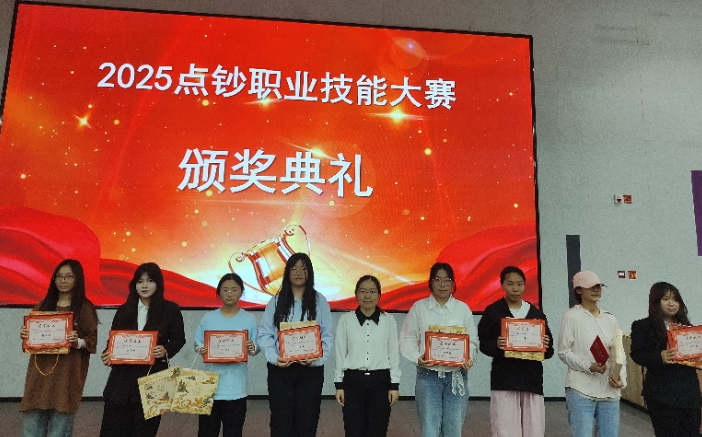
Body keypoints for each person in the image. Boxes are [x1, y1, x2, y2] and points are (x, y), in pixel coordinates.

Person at [99, 262, 186, 437]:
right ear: (134, 285)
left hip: (153, 380)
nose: (144, 285)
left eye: (150, 280)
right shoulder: (124, 309)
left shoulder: (170, 309)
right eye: (140, 281)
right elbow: (113, 340)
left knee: (145, 431)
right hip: (121, 383)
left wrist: (166, 350)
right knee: (114, 429)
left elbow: (179, 339)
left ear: (158, 283)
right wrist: (107, 354)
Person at [18, 259, 98, 437]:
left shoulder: (84, 308)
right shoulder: (43, 305)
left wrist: (77, 341)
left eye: (69, 276)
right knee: (31, 430)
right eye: (59, 276)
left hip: (66, 377)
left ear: (77, 279)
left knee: (59, 430)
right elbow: (30, 343)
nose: (63, 280)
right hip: (39, 376)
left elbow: (92, 341)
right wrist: (25, 335)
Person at [257, 252, 334, 437]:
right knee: (281, 419)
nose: (299, 272)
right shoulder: (276, 300)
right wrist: (274, 358)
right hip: (281, 369)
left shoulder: (320, 301)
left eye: (303, 268)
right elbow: (265, 334)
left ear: (310, 272)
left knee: (307, 419)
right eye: (294, 268)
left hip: (310, 371)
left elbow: (327, 335)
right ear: (287, 272)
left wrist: (316, 359)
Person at [399, 262, 478, 437]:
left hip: (456, 376)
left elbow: (472, 341)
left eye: (447, 280)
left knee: (453, 429)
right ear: (430, 283)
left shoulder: (462, 309)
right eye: (437, 280)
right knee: (430, 429)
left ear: (453, 283)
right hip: (428, 376)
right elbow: (408, 337)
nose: (442, 284)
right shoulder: (419, 308)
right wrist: (417, 356)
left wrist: (469, 357)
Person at [478, 266, 554, 437]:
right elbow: (482, 343)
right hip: (504, 379)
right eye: (510, 284)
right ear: (502, 285)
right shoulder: (493, 311)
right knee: (505, 428)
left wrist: (546, 344)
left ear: (524, 285)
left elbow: (549, 351)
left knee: (534, 429)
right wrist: (496, 344)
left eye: (519, 284)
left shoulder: (536, 314)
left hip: (531, 380)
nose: (515, 288)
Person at [558, 271, 626, 437]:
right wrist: (588, 366)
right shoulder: (571, 316)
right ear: (579, 290)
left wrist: (621, 378)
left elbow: (619, 353)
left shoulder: (610, 319)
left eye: (599, 286)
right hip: (581, 389)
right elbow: (563, 352)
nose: (596, 290)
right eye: (591, 287)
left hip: (609, 390)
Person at [630, 282, 701, 437]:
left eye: (675, 299)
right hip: (661, 393)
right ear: (656, 302)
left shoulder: (687, 328)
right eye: (666, 299)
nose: (671, 303)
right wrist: (659, 356)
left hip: (689, 393)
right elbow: (637, 354)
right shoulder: (643, 326)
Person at [334, 275, 401, 437]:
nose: (367, 296)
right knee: (353, 429)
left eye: (372, 291)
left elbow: (393, 353)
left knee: (377, 430)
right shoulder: (346, 320)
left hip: (380, 382)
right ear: (356, 294)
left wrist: (394, 385)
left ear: (379, 295)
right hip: (353, 381)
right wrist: (338, 385)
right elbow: (340, 353)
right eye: (363, 291)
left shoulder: (388, 320)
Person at [194, 273, 259, 437]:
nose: (229, 293)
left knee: (233, 432)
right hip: (209, 387)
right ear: (218, 292)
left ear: (241, 292)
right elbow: (197, 343)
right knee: (207, 432)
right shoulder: (208, 318)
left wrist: (253, 346)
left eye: (234, 290)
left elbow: (255, 348)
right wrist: (201, 349)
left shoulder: (249, 319)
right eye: (225, 290)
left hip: (236, 388)